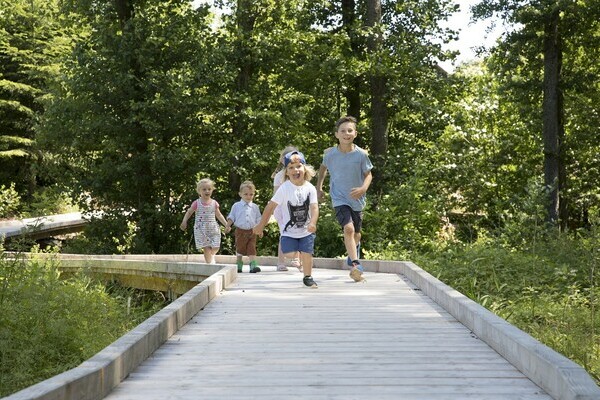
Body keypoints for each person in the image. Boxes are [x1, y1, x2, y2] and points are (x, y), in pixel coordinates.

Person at [316, 115, 373, 282]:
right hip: (339, 197)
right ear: (336, 134)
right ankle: (355, 264)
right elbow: (323, 169)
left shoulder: (361, 155)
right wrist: (319, 187)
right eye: (343, 131)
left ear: (355, 133)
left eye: (350, 130)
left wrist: (363, 188)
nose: (346, 133)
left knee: (356, 234)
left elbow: (369, 175)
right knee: (348, 229)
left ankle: (353, 251)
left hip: (357, 199)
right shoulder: (330, 154)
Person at [254, 151, 319, 288]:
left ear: (305, 169)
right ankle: (296, 253)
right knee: (289, 254)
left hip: (306, 230)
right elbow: (270, 207)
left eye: (299, 166)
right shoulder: (284, 188)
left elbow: (314, 208)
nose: (295, 170)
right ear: (286, 173)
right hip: (288, 231)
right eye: (291, 167)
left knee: (307, 253)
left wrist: (313, 222)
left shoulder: (310, 188)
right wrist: (261, 225)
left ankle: (308, 277)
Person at [180, 178, 228, 264]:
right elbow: (189, 212)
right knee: (206, 248)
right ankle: (209, 264)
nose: (207, 191)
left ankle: (212, 255)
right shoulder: (197, 203)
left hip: (213, 228)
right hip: (201, 229)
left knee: (216, 246)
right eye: (204, 189)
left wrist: (226, 224)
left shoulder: (214, 203)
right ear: (199, 191)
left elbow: (219, 215)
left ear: (212, 190)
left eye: (209, 189)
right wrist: (184, 221)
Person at [272, 145, 302, 271]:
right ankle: (281, 262)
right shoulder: (279, 176)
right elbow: (276, 194)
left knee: (301, 232)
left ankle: (298, 260)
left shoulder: (300, 173)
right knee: (285, 234)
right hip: (283, 209)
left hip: (297, 207)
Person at [225, 181, 262, 273]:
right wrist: (227, 225)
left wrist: (260, 230)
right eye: (246, 194)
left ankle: (253, 264)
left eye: (251, 194)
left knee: (252, 248)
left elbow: (259, 219)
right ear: (240, 194)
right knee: (240, 248)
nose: (248, 196)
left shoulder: (255, 207)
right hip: (240, 231)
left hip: (252, 231)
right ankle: (239, 263)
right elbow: (231, 217)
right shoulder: (236, 206)